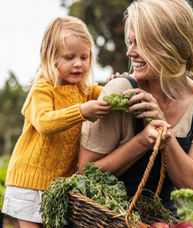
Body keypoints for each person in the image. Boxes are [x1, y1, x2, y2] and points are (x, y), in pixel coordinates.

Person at [78, 0, 193, 218]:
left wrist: (163, 129)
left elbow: (192, 186)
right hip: (104, 218)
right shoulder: (120, 91)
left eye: (140, 44)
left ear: (168, 45)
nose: (130, 53)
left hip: (160, 219)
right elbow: (85, 174)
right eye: (130, 42)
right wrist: (141, 142)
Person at [2, 16, 112, 227]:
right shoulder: (42, 88)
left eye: (84, 56)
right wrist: (81, 110)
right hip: (29, 183)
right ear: (51, 58)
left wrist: (117, 82)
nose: (78, 63)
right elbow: (44, 122)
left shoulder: (86, 90)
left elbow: (108, 94)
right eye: (69, 57)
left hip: (58, 187)